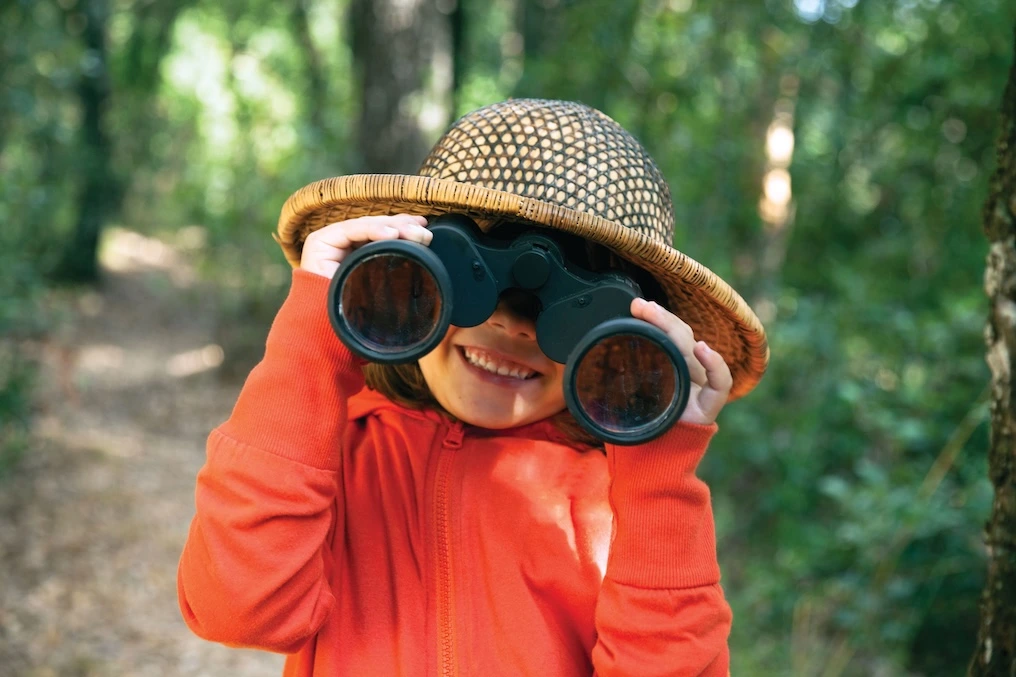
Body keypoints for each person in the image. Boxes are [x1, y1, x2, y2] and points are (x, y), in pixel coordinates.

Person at [177, 99, 769, 676]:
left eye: (574, 312)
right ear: (405, 276)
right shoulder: (333, 457)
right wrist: (318, 331)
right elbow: (238, 608)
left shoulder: (618, 505)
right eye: (470, 276)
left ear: (627, 338)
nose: (513, 323)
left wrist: (658, 459)